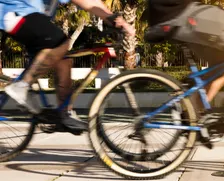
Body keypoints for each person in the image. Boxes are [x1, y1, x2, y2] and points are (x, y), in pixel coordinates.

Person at [1, 0, 135, 130]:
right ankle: (22, 86)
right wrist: (113, 19)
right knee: (61, 42)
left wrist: (111, 18)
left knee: (64, 60)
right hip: (16, 12)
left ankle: (64, 114)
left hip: (28, 16)